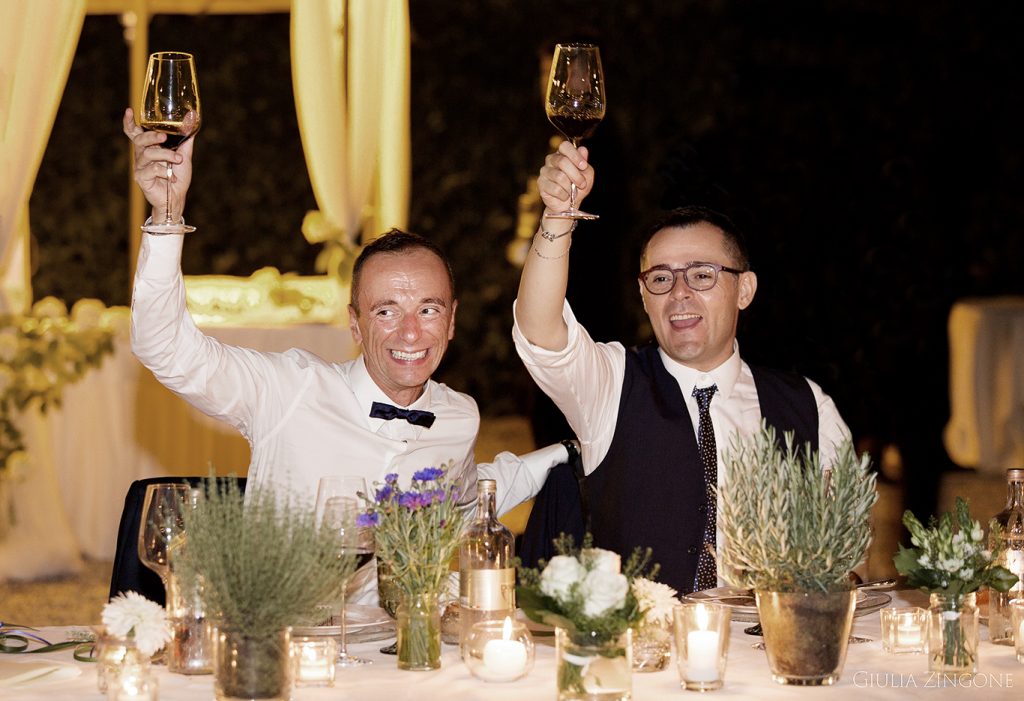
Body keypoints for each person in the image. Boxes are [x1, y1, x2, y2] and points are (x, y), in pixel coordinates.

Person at [123, 109, 570, 600]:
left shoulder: (459, 417)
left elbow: (471, 495)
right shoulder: (288, 390)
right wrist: (166, 217)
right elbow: (164, 345)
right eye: (385, 311)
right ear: (354, 323)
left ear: (453, 321)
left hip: (397, 654)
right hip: (286, 642)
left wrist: (575, 451)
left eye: (428, 309)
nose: (410, 331)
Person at [513, 141, 851, 594]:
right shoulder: (612, 384)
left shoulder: (806, 404)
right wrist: (558, 216)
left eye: (702, 275)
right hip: (642, 652)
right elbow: (540, 329)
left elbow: (844, 545)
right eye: (660, 278)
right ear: (644, 296)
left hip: (764, 648)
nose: (679, 293)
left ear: (744, 290)